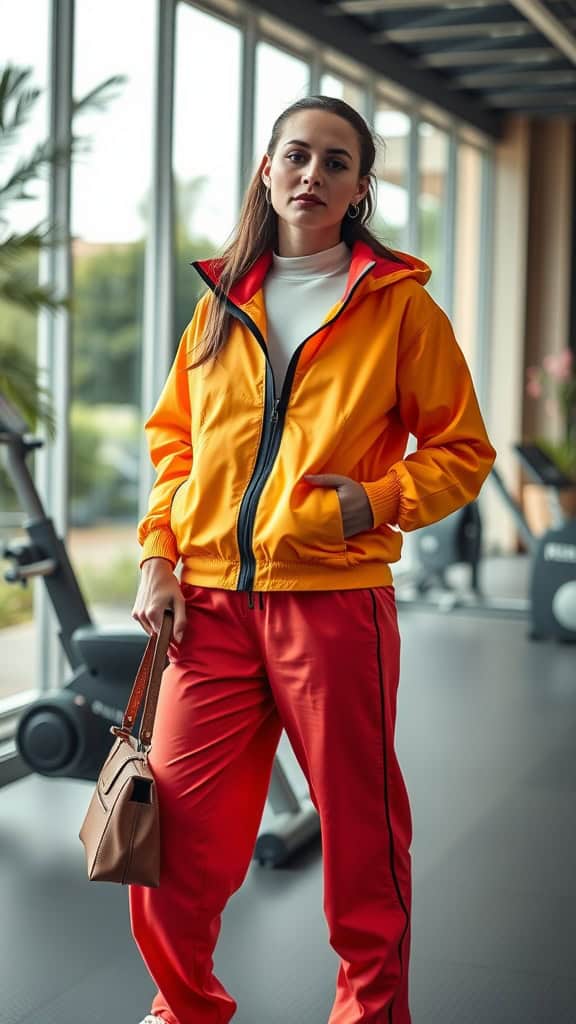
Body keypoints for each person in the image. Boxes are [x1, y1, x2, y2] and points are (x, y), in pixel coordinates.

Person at [130, 95, 496, 1024]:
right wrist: (158, 557)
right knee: (169, 841)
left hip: (333, 608)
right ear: (267, 168)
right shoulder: (219, 304)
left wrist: (371, 503)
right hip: (207, 609)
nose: (313, 174)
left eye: (338, 163)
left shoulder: (401, 310)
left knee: (363, 847)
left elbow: (463, 452)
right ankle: (186, 1010)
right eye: (298, 155)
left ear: (361, 188)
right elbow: (177, 448)